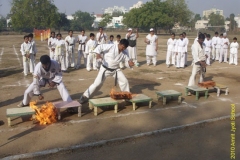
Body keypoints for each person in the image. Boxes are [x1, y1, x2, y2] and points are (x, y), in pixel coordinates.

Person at [79, 39, 135, 104]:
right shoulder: (111, 47)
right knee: (97, 84)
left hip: (116, 69)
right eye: (122, 47)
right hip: (105, 69)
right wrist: (98, 54)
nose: (123, 49)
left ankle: (126, 96)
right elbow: (100, 47)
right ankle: (85, 96)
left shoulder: (125, 52)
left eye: (125, 48)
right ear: (119, 44)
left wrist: (129, 63)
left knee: (124, 81)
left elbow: (127, 61)